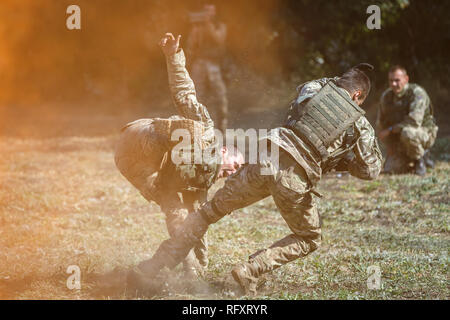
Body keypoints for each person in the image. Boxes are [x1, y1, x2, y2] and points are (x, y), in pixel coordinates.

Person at [126, 55, 383, 296]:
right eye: (359, 100)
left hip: (267, 157)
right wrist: (344, 163)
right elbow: (371, 170)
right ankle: (249, 272)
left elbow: (305, 93)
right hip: (294, 177)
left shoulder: (315, 89)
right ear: (358, 95)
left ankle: (152, 268)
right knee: (309, 238)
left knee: (207, 213)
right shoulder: (359, 124)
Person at [115, 33, 244, 279]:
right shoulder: (206, 129)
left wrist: (201, 262)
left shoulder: (202, 182)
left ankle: (192, 269)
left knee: (179, 211)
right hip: (140, 136)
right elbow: (185, 93)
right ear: (224, 150)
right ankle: (191, 268)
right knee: (177, 207)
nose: (234, 172)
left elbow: (195, 218)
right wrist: (173, 55)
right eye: (235, 164)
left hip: (131, 163)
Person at [377, 65, 438, 176]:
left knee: (408, 133)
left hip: (423, 132)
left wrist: (390, 130)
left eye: (397, 80)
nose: (394, 84)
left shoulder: (417, 93)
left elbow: (414, 121)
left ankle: (420, 159)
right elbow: (381, 124)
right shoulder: (386, 97)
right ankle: (406, 156)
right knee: (391, 169)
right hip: (399, 137)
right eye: (391, 81)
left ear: (406, 79)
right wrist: (390, 147)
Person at [186, 3, 228, 133]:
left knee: (220, 97)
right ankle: (198, 127)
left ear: (215, 12)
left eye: (210, 11)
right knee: (198, 97)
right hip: (200, 64)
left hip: (214, 65)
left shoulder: (220, 26)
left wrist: (208, 24)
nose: (208, 14)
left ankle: (222, 127)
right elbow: (191, 46)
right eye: (205, 11)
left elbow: (219, 39)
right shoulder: (198, 28)